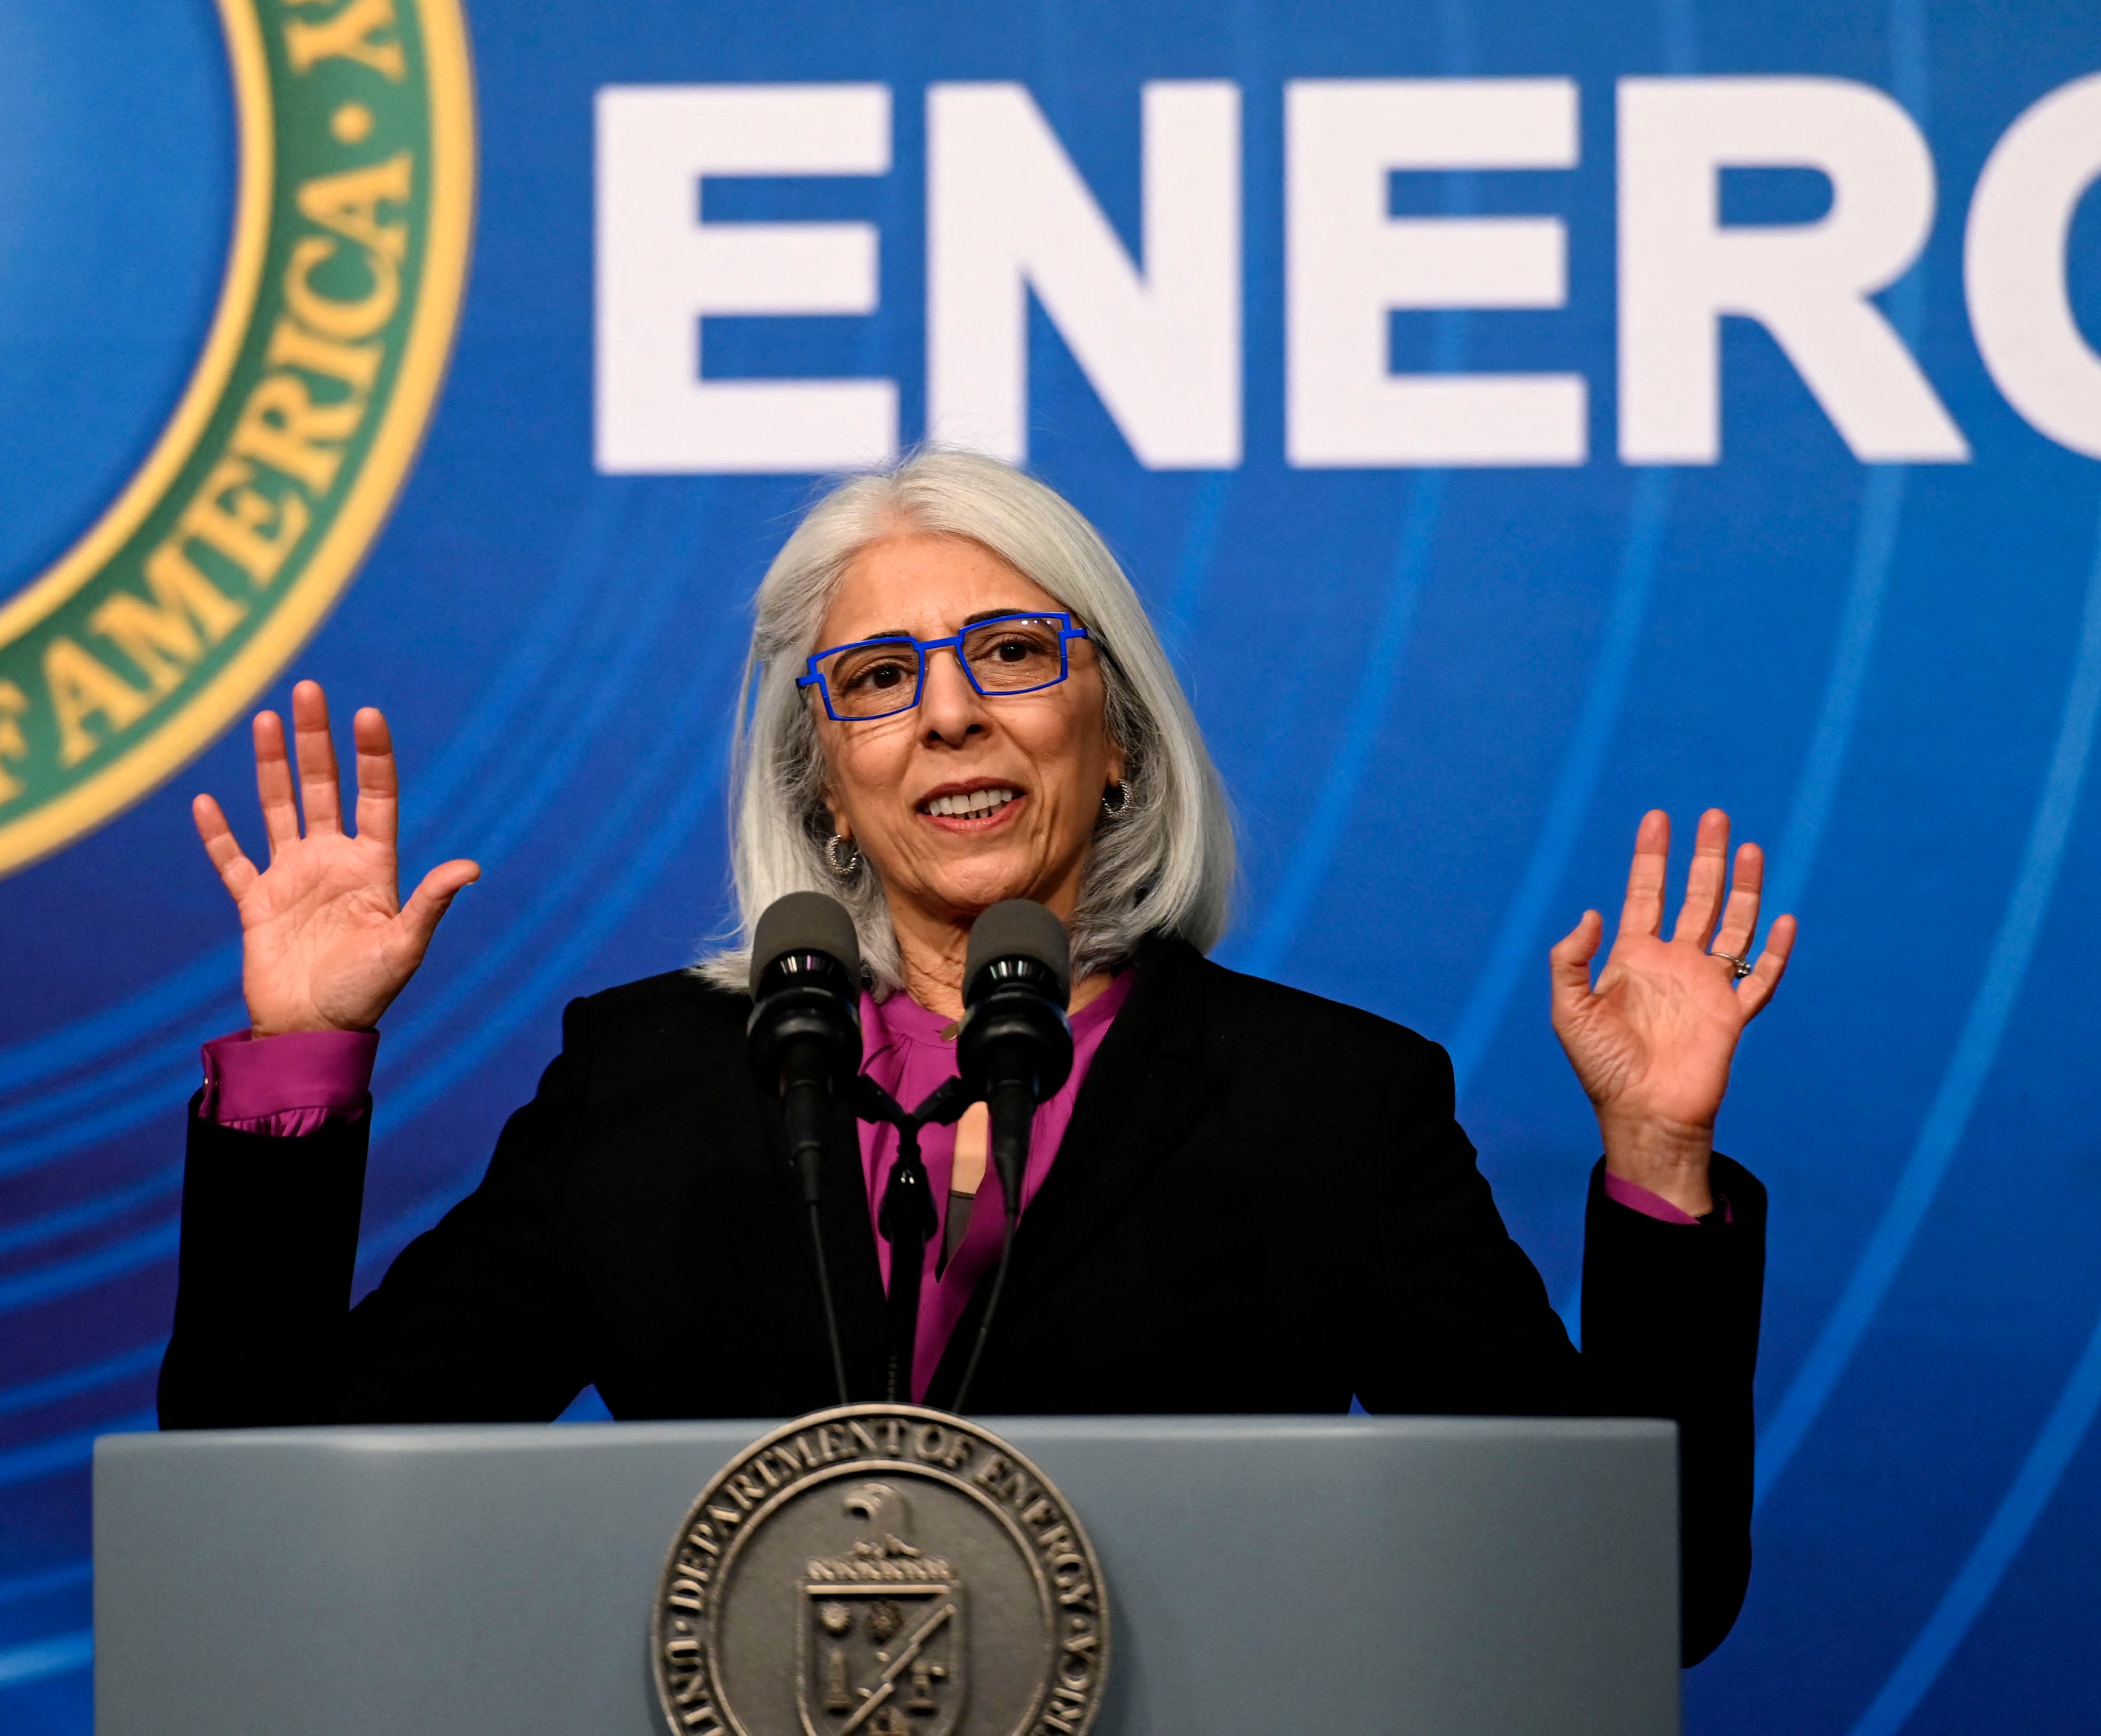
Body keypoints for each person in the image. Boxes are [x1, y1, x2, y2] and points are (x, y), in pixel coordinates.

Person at [159, 449, 1796, 1661]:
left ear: (1121, 725)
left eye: (1011, 653)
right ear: (823, 781)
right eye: (876, 682)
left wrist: (1655, 1164)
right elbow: (268, 1533)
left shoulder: (1328, 1106)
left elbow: (1638, 1595)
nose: (947, 715)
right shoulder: (652, 1086)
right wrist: (304, 1051)